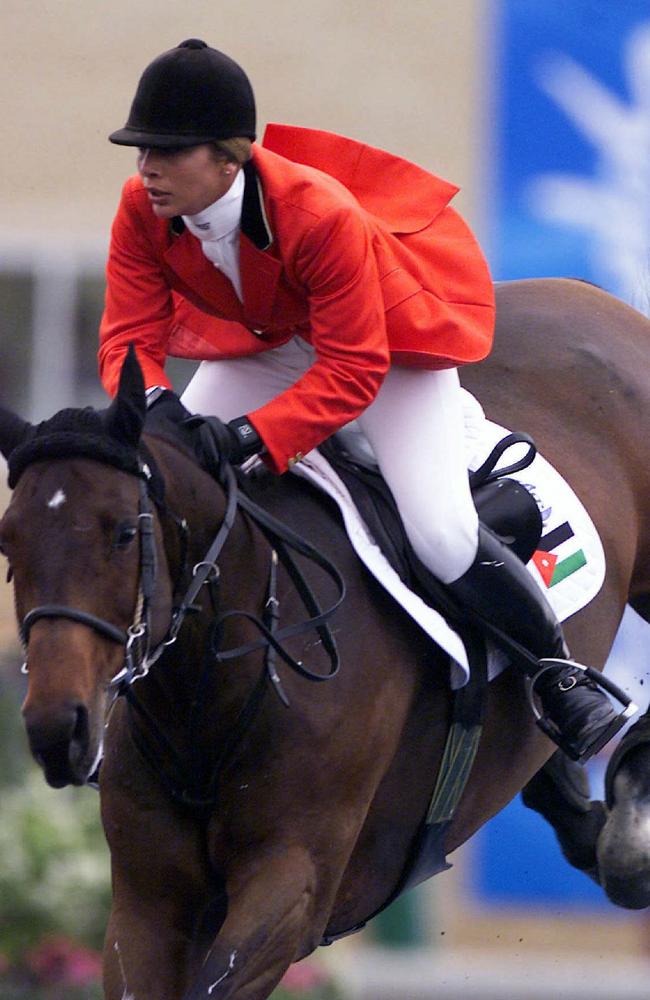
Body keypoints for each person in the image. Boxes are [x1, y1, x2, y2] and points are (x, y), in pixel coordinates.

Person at [100, 38, 627, 763]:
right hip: (275, 345)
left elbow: (350, 370)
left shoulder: (318, 214)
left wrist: (253, 436)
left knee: (440, 533)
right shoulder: (140, 208)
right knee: (167, 478)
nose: (146, 169)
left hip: (385, 359)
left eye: (167, 152)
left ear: (230, 158)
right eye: (140, 151)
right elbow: (128, 335)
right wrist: (155, 407)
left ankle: (559, 675)